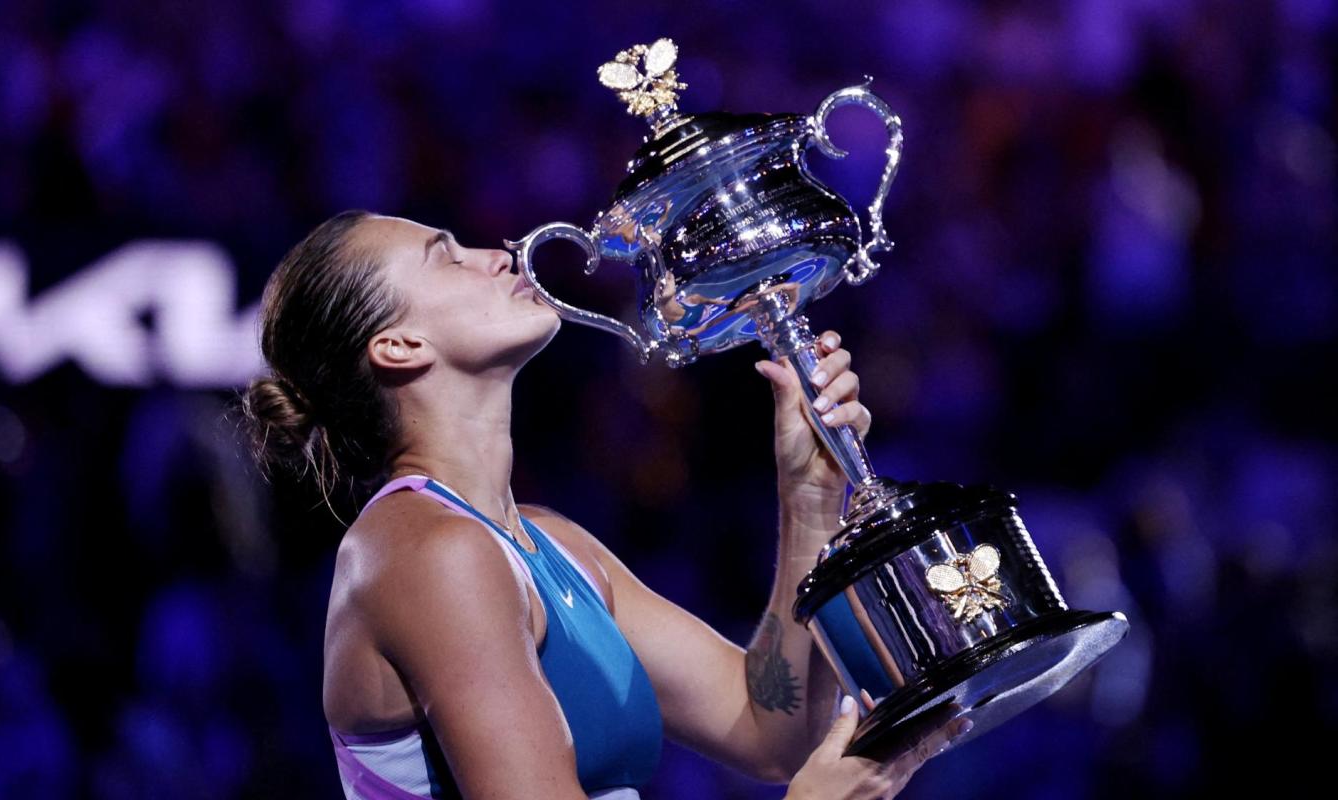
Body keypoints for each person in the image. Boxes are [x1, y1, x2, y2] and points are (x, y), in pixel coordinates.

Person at [237, 210, 970, 800]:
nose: (499, 254)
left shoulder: (554, 543)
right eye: (448, 257)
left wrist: (809, 500)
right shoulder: (426, 554)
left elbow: (767, 728)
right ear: (399, 345)